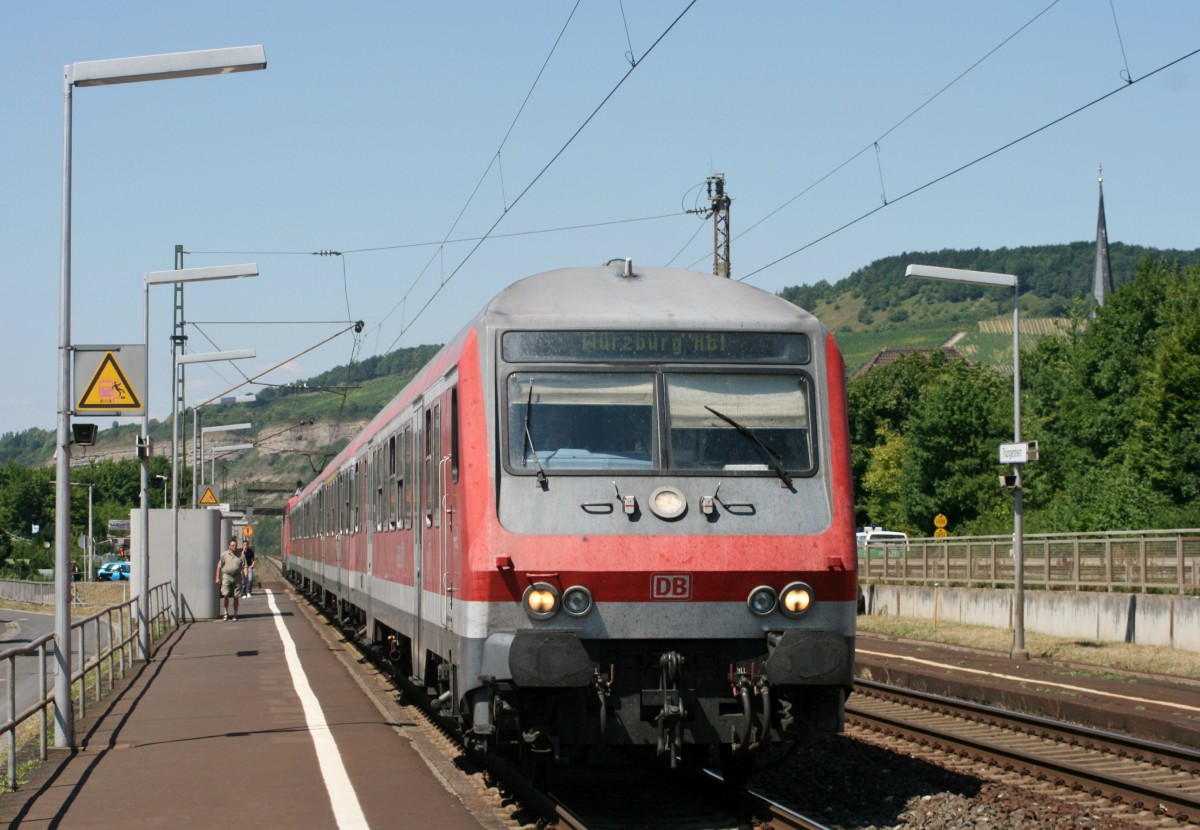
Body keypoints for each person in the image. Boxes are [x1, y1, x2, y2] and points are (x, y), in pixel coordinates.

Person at [215, 539, 246, 621]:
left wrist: (246, 577)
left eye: (235, 545)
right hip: (226, 576)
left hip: (237, 576)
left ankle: (235, 614)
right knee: (225, 594)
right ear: (229, 546)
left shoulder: (241, 555)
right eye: (232, 545)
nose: (234, 547)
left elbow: (244, 566)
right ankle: (226, 613)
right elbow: (219, 566)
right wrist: (217, 577)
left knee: (236, 596)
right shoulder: (224, 555)